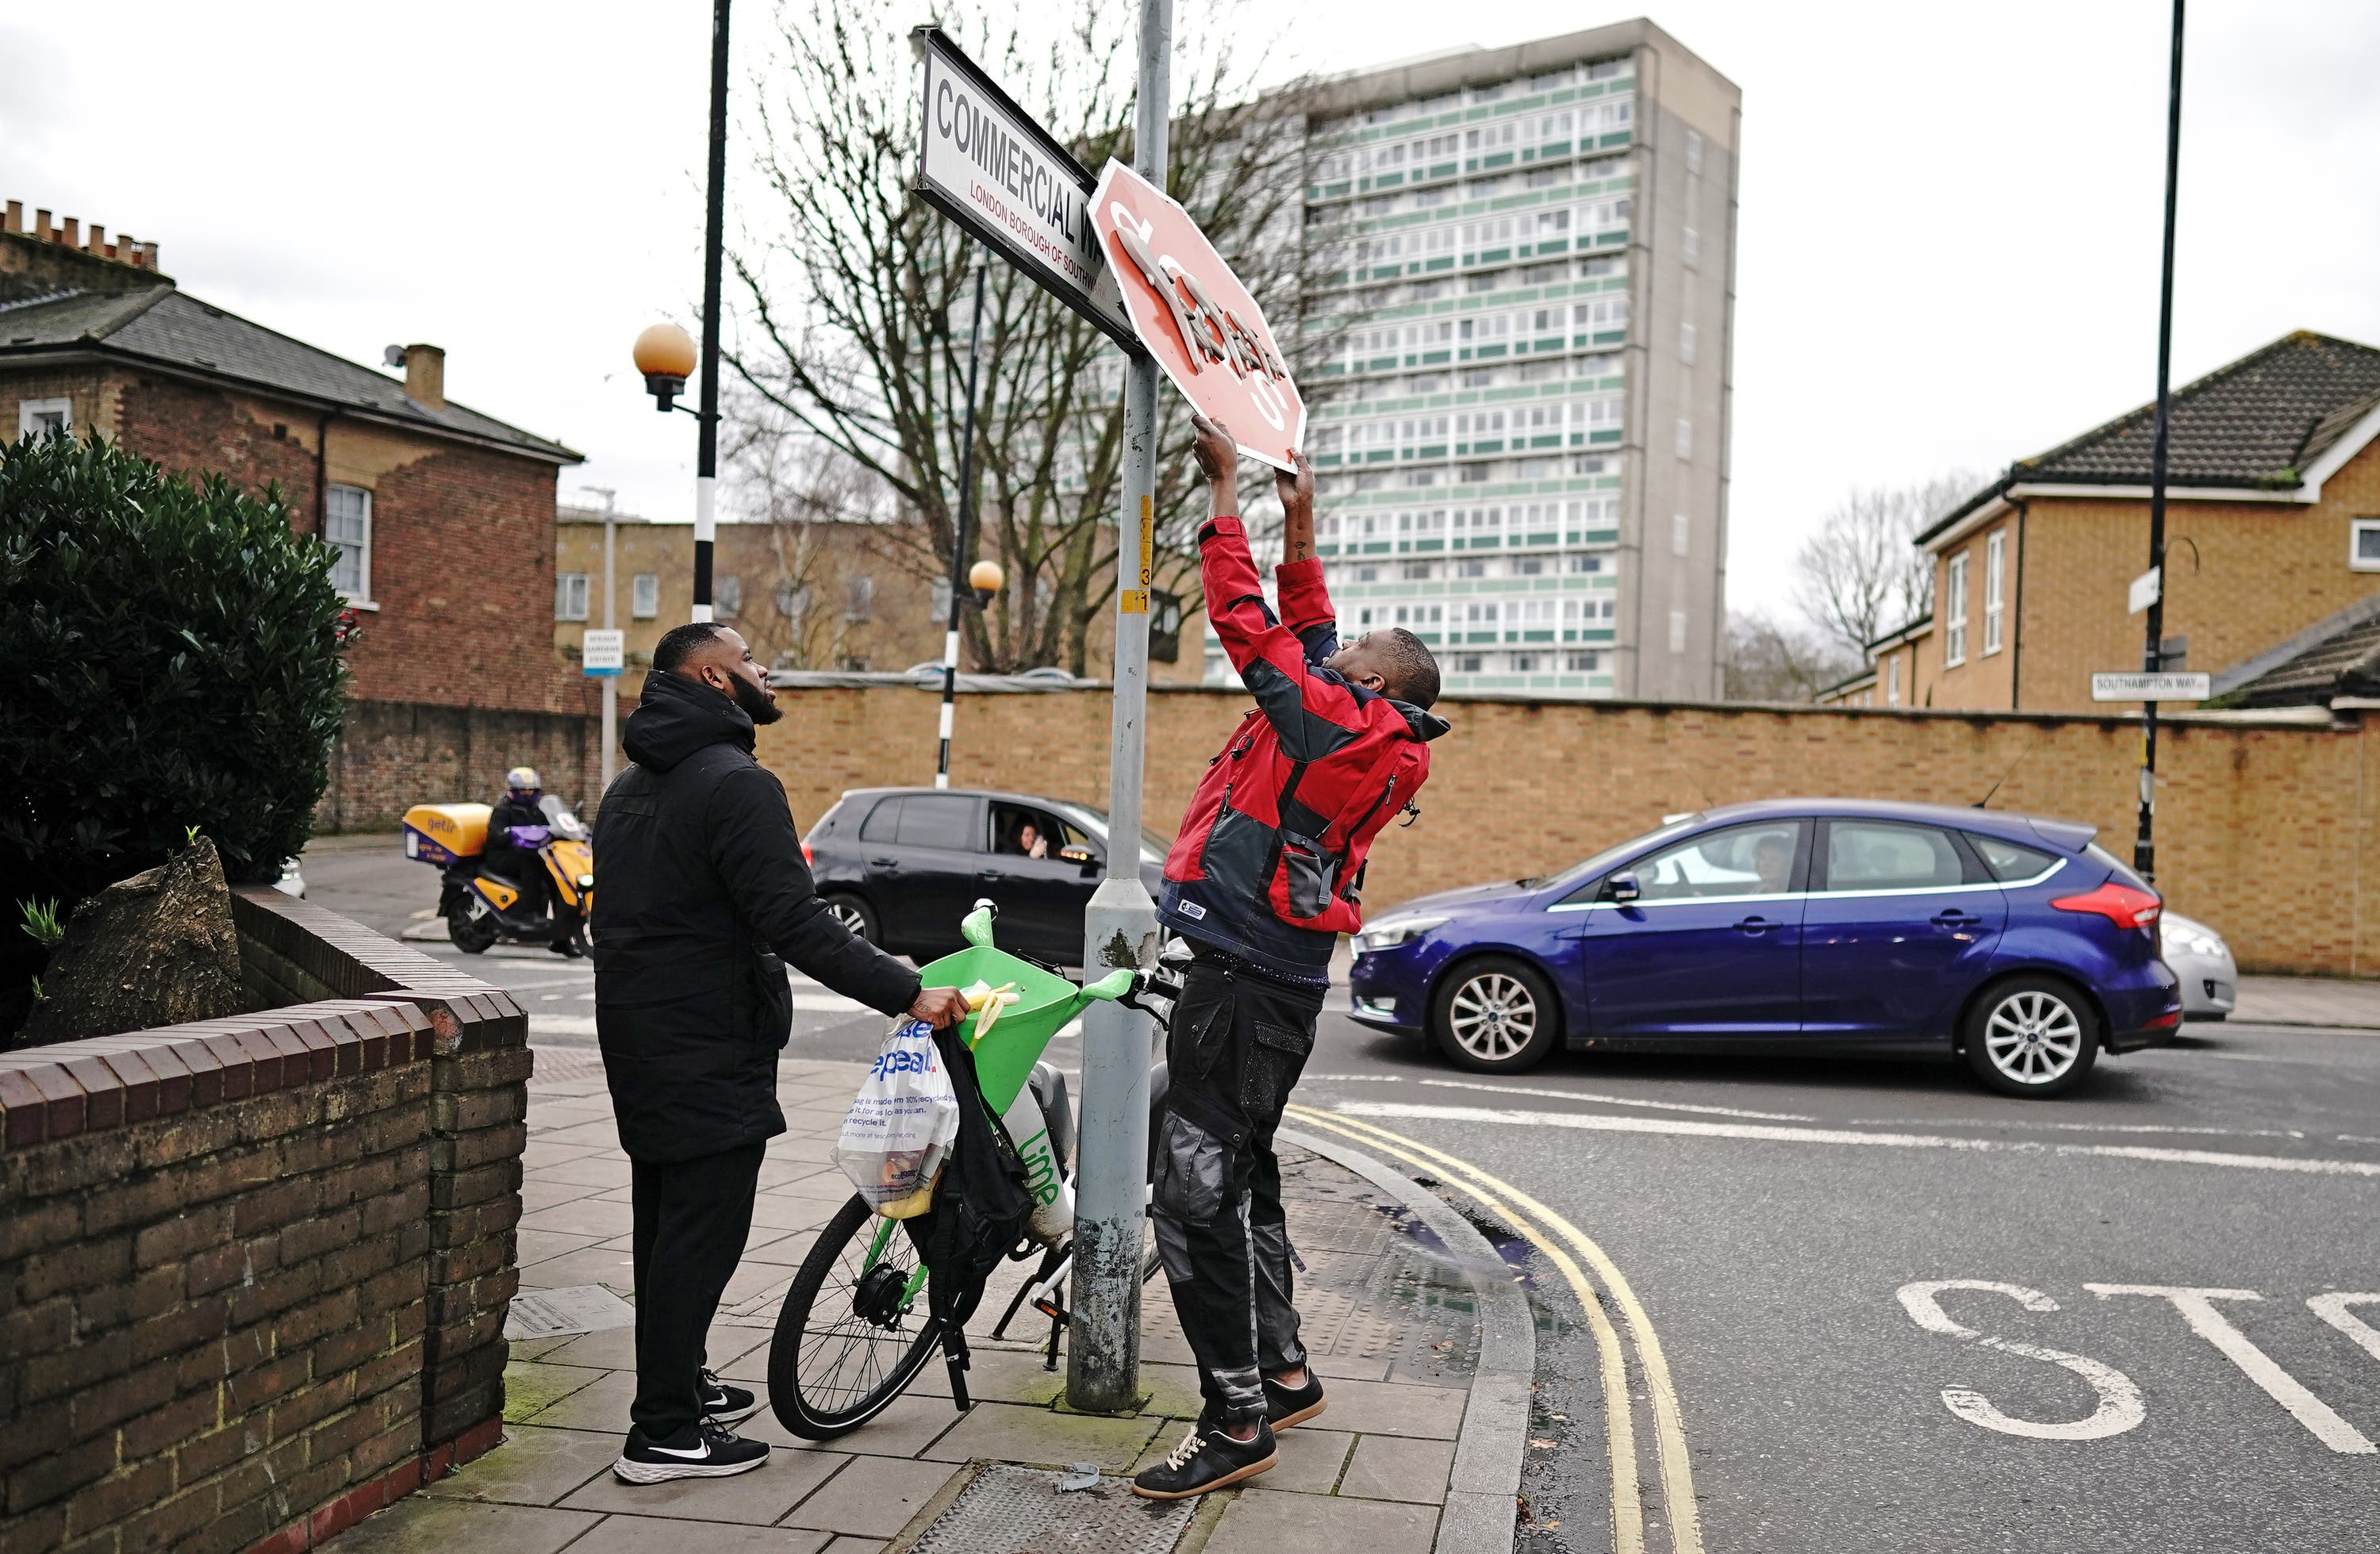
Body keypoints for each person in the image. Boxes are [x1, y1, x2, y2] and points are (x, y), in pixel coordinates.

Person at [1133, 413, 1449, 1500]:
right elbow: (1307, 630)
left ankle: (1235, 1417)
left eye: (1354, 652)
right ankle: (1281, 1362)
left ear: (1382, 681)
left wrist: (1224, 500)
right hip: (1270, 969)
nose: (1336, 645)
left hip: (1245, 975)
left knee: (1191, 1190)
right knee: (1241, 1162)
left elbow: (1255, 631)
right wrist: (1299, 516)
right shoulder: (1364, 720)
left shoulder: (1342, 725)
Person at [593, 621, 969, 1485]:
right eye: (753, 661)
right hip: (706, 1043)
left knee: (666, 1229)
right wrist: (908, 992)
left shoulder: (630, 786)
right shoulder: (737, 784)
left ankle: (676, 1387)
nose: (769, 673)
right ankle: (662, 1434)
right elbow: (795, 922)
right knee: (702, 1236)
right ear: (717, 680)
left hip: (643, 1035)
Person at [485, 766, 568, 950]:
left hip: (527, 857)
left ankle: (562, 929)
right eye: (523, 790)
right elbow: (495, 836)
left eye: (531, 790)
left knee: (556, 875)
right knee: (532, 863)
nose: (528, 794)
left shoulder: (536, 811)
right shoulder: (503, 810)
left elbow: (549, 827)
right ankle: (527, 914)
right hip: (501, 858)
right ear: (513, 791)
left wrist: (562, 831)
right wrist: (513, 834)